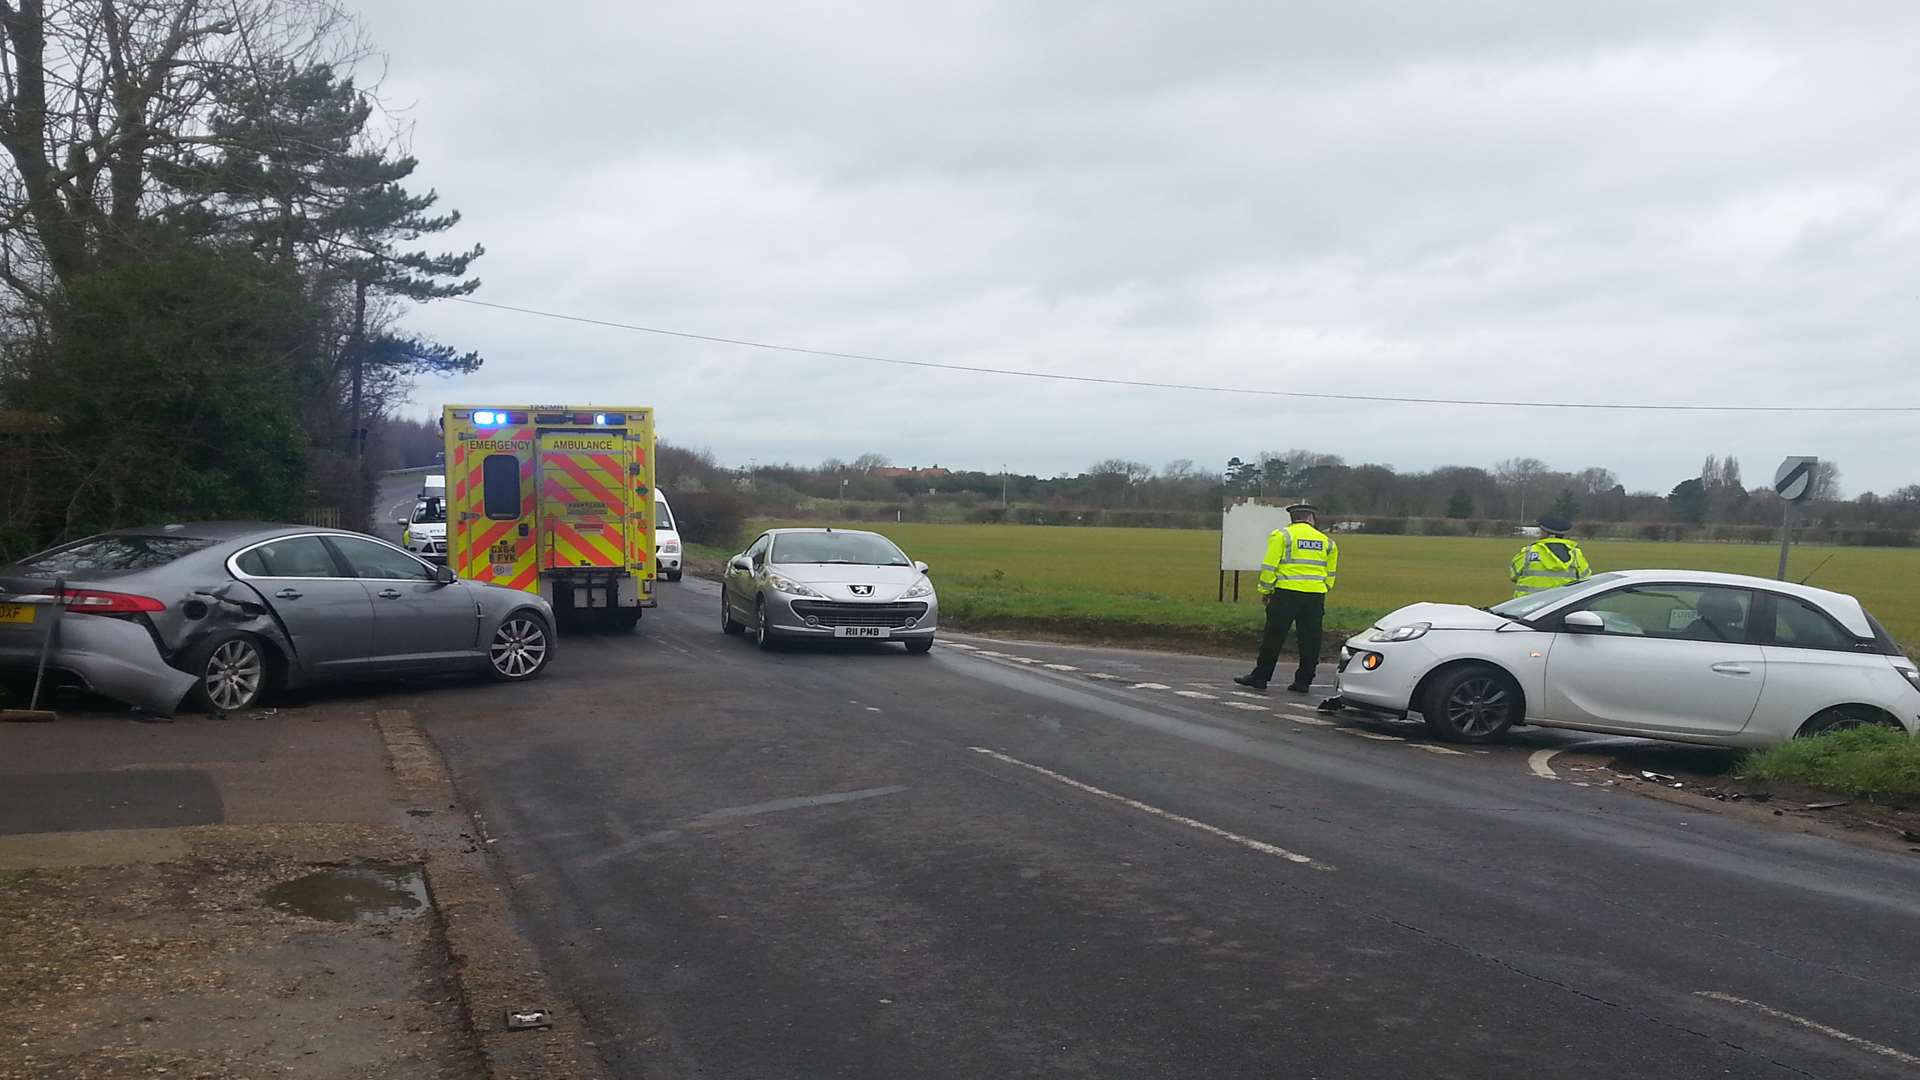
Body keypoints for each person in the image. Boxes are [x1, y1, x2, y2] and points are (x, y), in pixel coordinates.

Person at [1235, 503, 1338, 693]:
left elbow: (1269, 566)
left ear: (1293, 518)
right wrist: (1323, 588)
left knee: (1273, 637)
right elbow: (1330, 572)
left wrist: (1265, 590)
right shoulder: (1327, 541)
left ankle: (1261, 677)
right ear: (1310, 518)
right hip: (1315, 596)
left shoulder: (1282, 536)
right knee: (1310, 640)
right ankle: (1303, 681)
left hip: (1286, 593)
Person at [1510, 515, 1591, 598]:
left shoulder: (1527, 552)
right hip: (1561, 606)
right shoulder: (1576, 554)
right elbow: (1586, 579)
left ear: (1544, 532)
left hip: (1528, 606)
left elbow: (1513, 576)